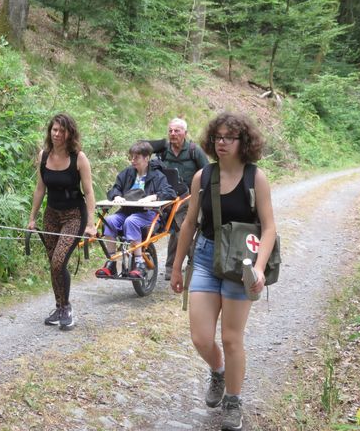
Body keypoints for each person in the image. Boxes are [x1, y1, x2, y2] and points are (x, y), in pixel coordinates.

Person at [170, 112, 277, 431]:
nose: (221, 143)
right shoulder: (203, 177)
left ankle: (233, 400)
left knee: (232, 338)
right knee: (201, 337)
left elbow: (270, 228)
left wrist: (258, 269)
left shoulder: (255, 177)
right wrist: (177, 267)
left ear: (244, 141)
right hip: (204, 256)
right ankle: (218, 371)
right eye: (217, 137)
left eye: (229, 137)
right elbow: (188, 224)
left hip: (241, 263)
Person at [28, 113, 96, 331]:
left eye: (61, 130)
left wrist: (91, 224)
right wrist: (32, 217)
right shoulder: (44, 155)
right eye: (54, 130)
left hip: (74, 216)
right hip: (51, 215)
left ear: (69, 133)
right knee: (53, 264)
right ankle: (59, 307)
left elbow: (89, 191)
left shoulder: (79, 158)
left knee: (59, 261)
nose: (57, 134)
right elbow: (40, 189)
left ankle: (66, 308)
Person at [95, 141, 175, 278]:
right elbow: (114, 188)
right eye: (131, 157)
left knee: (131, 221)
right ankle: (111, 262)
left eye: (136, 157)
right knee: (109, 220)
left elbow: (170, 192)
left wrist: (153, 197)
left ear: (146, 158)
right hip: (126, 211)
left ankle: (139, 263)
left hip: (148, 214)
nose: (132, 160)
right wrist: (117, 196)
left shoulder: (157, 175)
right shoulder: (127, 173)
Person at [148, 117, 209, 281]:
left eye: (177, 131)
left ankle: (176, 266)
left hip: (190, 198)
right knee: (176, 230)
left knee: (180, 230)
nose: (173, 134)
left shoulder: (194, 151)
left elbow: (208, 173)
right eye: (170, 131)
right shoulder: (163, 150)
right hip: (168, 198)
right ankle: (188, 264)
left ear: (185, 133)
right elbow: (141, 148)